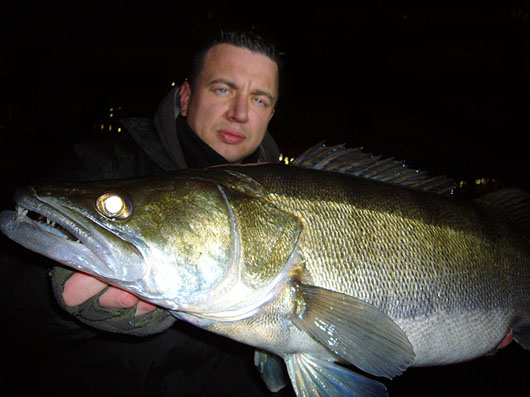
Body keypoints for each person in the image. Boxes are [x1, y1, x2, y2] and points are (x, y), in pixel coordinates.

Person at [2, 30, 291, 396]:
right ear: (186, 98)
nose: (239, 113)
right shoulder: (103, 166)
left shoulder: (285, 203)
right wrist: (54, 296)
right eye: (223, 89)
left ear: (271, 113)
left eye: (259, 99)